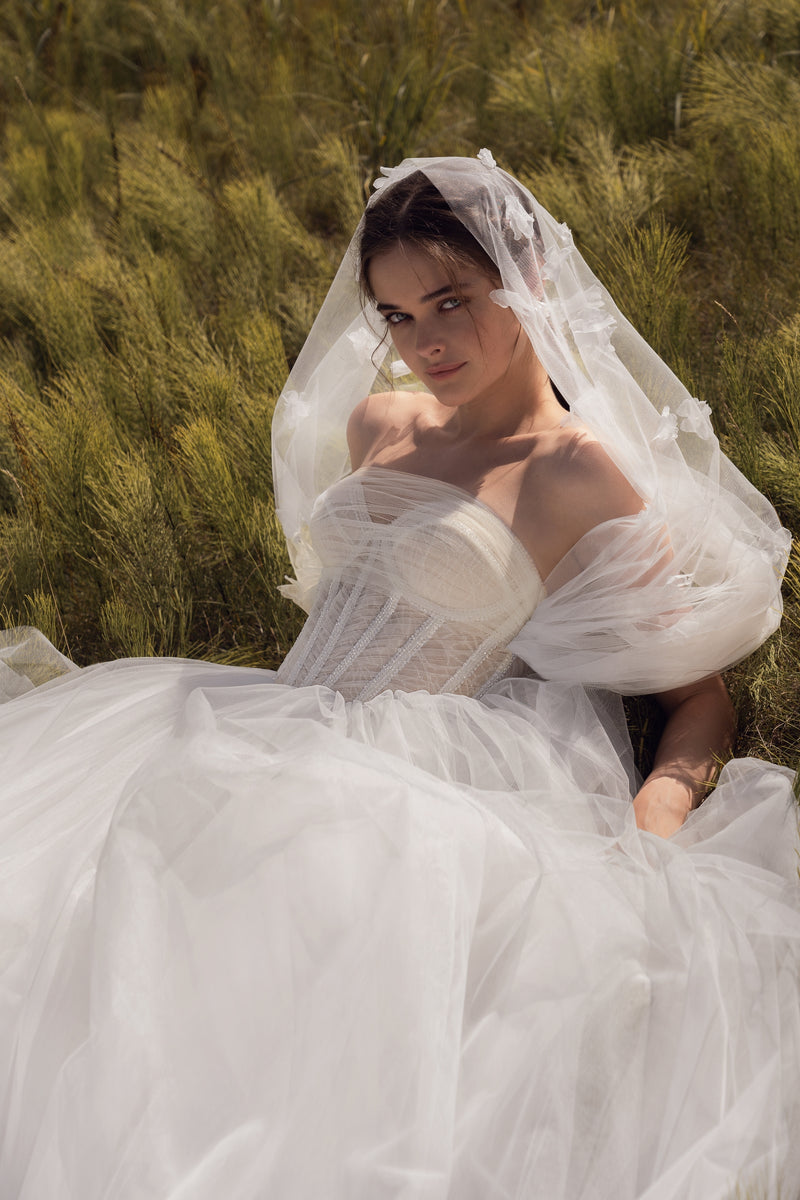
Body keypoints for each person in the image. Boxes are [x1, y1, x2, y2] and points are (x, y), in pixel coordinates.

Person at [0, 152, 798, 1199]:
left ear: (528, 286)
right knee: (70, 872)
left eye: (451, 302)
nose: (424, 342)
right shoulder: (378, 423)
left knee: (243, 890)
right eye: (395, 314)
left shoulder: (575, 472)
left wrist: (655, 812)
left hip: (410, 760)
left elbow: (694, 691)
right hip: (276, 709)